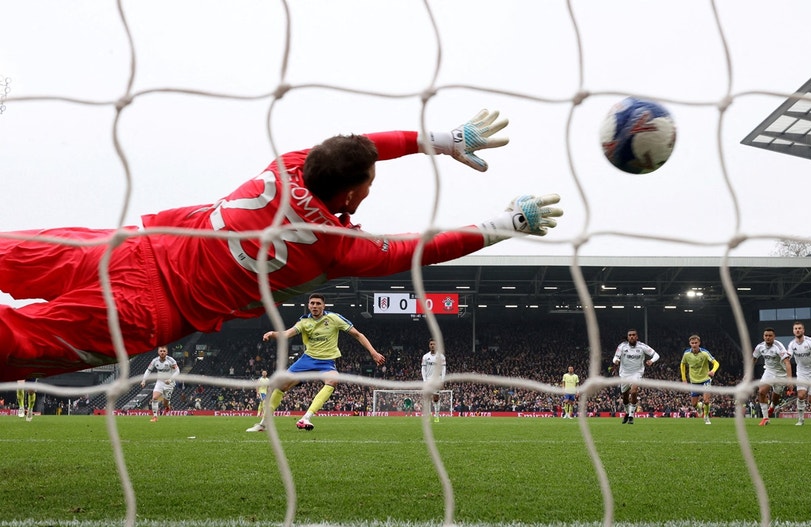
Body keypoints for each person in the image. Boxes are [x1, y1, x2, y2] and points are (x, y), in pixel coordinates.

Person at [0, 109, 562, 381]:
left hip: (135, 247)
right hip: (146, 309)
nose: (372, 185)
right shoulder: (336, 247)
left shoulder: (288, 163)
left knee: (11, 253)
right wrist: (507, 223)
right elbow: (424, 249)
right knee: (21, 343)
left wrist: (437, 140)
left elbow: (360, 144)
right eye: (369, 181)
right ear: (351, 193)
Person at [246, 293, 384, 432]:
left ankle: (306, 418)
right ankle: (263, 424)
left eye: (318, 303)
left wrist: (373, 352)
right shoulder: (304, 322)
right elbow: (286, 334)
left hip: (326, 362)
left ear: (324, 306)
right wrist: (272, 334)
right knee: (281, 385)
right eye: (312, 303)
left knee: (333, 380)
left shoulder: (334, 318)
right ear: (308, 306)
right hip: (307, 360)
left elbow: (358, 335)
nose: (315, 306)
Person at [611, 329, 660, 425]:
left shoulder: (642, 346)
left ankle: (631, 415)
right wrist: (616, 361)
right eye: (630, 335)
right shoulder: (622, 346)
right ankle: (627, 412)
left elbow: (656, 355)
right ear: (628, 337)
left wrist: (651, 361)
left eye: (633, 335)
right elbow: (615, 357)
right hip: (624, 374)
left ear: (637, 337)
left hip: (637, 373)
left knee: (633, 392)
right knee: (625, 397)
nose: (632, 337)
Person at [752, 328, 792, 426]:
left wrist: (789, 380)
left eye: (770, 336)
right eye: (766, 335)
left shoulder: (778, 347)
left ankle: (772, 406)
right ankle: (765, 418)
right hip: (769, 371)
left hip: (781, 374)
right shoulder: (760, 347)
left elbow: (787, 363)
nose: (768, 337)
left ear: (774, 337)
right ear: (763, 336)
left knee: (776, 398)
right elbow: (753, 359)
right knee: (761, 392)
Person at [680, 335, 720, 425]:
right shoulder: (686, 354)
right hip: (694, 382)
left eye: (696, 343)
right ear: (690, 343)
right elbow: (682, 364)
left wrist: (713, 371)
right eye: (692, 343)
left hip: (705, 380)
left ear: (699, 343)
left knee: (706, 401)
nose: (694, 345)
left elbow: (716, 363)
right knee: (694, 404)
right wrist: (684, 378)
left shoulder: (705, 353)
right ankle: (699, 407)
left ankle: (706, 416)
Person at [140, 345, 180, 422]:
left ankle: (167, 405)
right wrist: (144, 380)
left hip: (169, 384)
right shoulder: (155, 361)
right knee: (154, 398)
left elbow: (177, 371)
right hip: (160, 382)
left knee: (165, 403)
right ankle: (155, 416)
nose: (162, 352)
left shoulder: (171, 360)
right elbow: (148, 370)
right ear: (158, 352)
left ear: (167, 352)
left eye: (164, 351)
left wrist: (170, 380)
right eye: (161, 351)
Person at [420, 338, 447, 422]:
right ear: (429, 345)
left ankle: (436, 415)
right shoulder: (425, 357)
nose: (432, 346)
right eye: (431, 344)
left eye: (434, 344)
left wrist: (442, 380)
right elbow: (423, 369)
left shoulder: (441, 357)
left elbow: (443, 369)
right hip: (428, 380)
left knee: (436, 398)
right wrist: (424, 380)